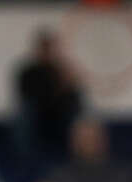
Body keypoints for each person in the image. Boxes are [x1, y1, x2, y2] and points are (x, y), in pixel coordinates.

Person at [13, 28, 84, 167]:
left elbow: (71, 97)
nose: (47, 52)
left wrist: (68, 82)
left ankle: (79, 154)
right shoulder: (28, 71)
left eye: (49, 48)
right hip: (37, 116)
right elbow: (27, 96)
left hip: (60, 114)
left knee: (80, 113)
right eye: (44, 48)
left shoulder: (61, 71)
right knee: (26, 114)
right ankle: (26, 159)